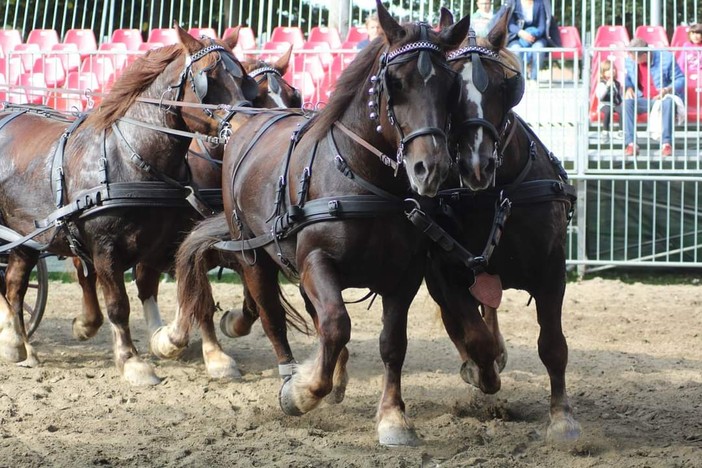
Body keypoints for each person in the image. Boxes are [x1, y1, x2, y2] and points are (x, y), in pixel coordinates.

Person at [623, 38, 685, 157]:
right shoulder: (630, 60)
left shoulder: (666, 58)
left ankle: (666, 144)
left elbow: (680, 79)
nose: (632, 60)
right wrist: (628, 87)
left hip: (662, 98)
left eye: (635, 58)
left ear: (645, 55)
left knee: (668, 102)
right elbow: (628, 78)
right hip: (643, 99)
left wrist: (667, 89)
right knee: (627, 103)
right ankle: (631, 144)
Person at [504, 0, 559, 81]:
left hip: (536, 37)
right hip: (517, 37)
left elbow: (542, 26)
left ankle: (534, 78)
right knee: (516, 49)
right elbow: (510, 23)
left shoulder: (539, 4)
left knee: (539, 48)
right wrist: (520, 32)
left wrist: (534, 34)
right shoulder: (514, 3)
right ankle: (521, 79)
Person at [594, 59, 623, 143]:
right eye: (608, 70)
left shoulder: (617, 83)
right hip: (604, 104)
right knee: (608, 111)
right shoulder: (602, 83)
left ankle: (621, 131)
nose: (611, 71)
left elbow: (619, 95)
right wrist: (607, 87)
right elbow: (599, 96)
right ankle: (605, 132)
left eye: (613, 69)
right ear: (603, 72)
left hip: (615, 104)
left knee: (623, 111)